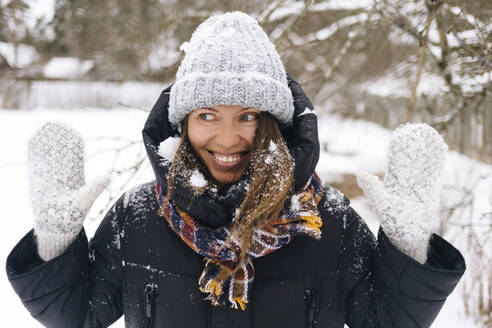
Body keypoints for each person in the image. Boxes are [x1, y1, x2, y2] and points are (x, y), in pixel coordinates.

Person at [6, 11, 465, 328]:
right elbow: (77, 314)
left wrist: (407, 246)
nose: (227, 140)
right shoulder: (138, 217)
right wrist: (55, 239)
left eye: (247, 116)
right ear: (182, 123)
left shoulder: (329, 221)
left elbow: (383, 319)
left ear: (275, 125)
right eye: (207, 116)